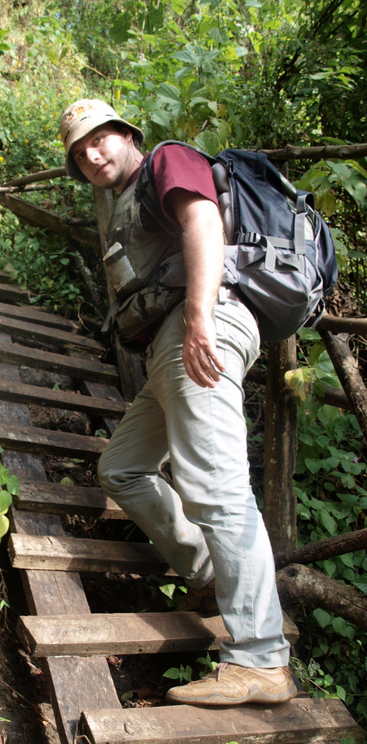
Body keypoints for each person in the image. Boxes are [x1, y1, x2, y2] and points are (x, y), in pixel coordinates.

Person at [60, 98, 296, 706]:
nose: (92, 154)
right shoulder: (124, 198)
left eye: (100, 138)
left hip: (200, 326)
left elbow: (204, 224)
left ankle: (260, 660)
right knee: (121, 468)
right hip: (174, 344)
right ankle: (215, 575)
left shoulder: (167, 160)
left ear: (126, 135)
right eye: (80, 151)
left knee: (216, 488)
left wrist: (198, 318)